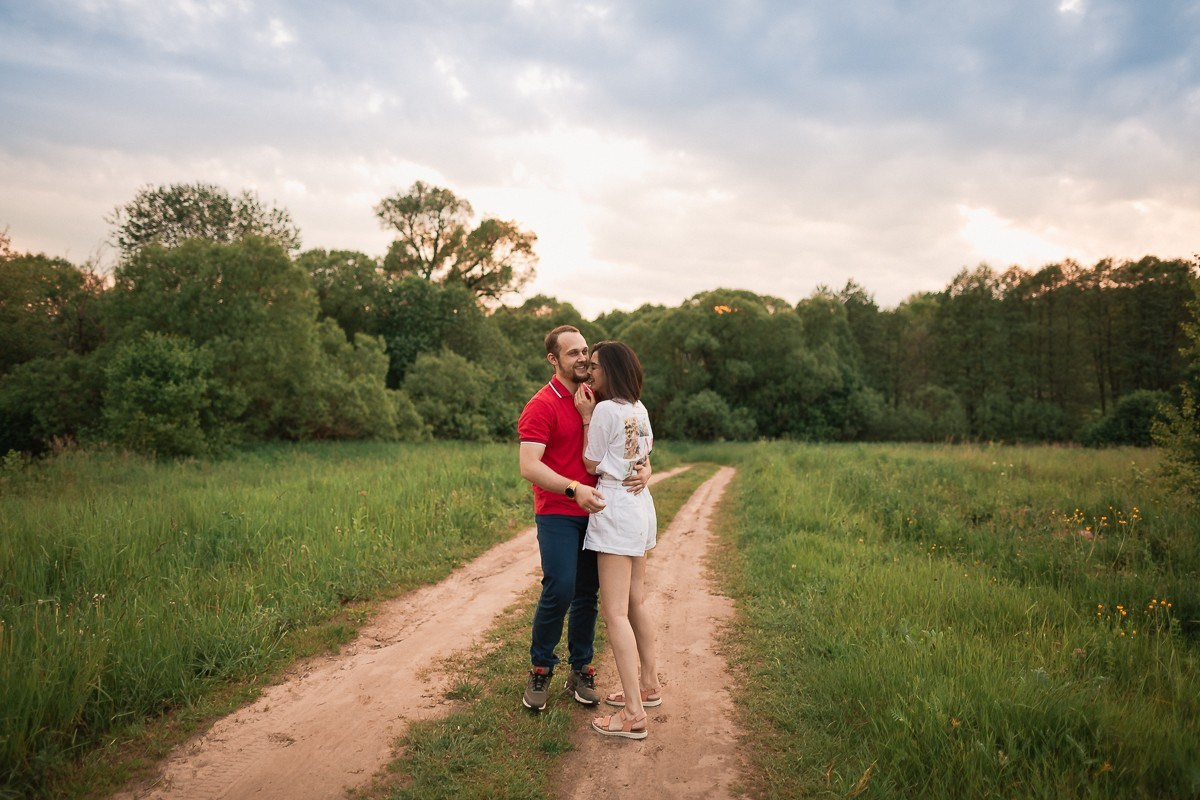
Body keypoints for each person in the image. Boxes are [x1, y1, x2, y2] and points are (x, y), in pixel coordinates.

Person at [517, 325, 650, 712]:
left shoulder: (604, 399)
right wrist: (574, 488)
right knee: (559, 587)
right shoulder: (541, 405)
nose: (581, 360)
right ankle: (541, 667)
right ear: (553, 359)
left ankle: (582, 668)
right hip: (560, 510)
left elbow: (632, 448)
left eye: (584, 352)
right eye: (572, 353)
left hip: (602, 514)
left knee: (588, 594)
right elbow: (529, 466)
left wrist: (647, 471)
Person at [574, 340, 660, 740]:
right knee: (635, 600)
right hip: (639, 505)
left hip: (617, 510)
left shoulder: (606, 410)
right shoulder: (638, 409)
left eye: (594, 367)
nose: (589, 373)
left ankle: (632, 712)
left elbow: (591, 462)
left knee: (614, 612)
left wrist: (587, 416)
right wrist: (643, 470)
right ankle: (649, 684)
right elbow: (642, 456)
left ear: (610, 370)